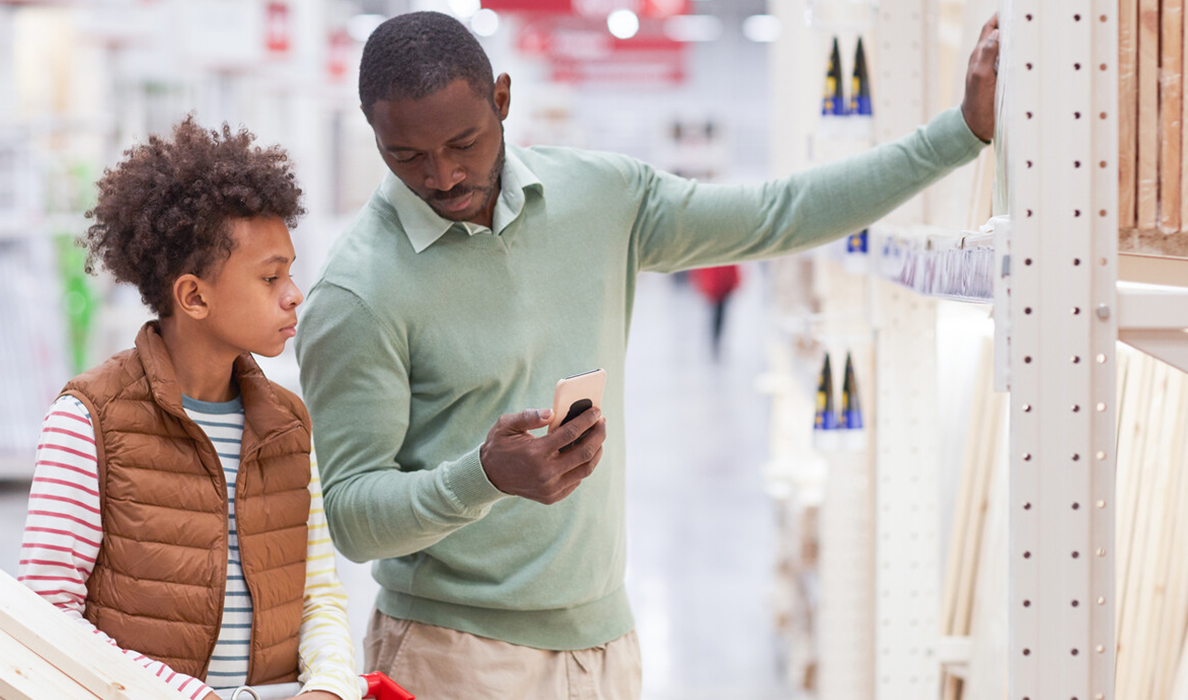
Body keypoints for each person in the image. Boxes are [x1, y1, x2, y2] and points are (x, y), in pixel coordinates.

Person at [297, 11, 1001, 699]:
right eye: (407, 156)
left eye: (464, 142)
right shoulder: (358, 291)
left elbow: (775, 214)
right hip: (454, 657)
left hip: (606, 643)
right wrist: (481, 477)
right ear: (375, 136)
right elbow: (355, 519)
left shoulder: (600, 197)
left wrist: (960, 134)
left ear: (503, 99)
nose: (443, 176)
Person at [17, 117, 360, 700]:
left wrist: (329, 688)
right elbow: (46, 614)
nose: (294, 292)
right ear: (194, 295)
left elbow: (318, 596)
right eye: (270, 276)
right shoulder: (88, 419)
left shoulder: (288, 423)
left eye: (291, 271)